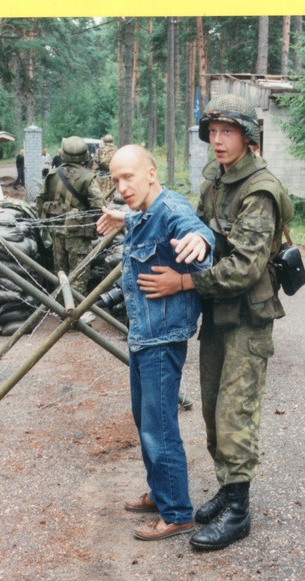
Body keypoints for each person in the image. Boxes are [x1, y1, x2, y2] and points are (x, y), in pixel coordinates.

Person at [137, 94, 294, 551]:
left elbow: (245, 268)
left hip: (248, 316)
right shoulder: (217, 179)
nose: (218, 140)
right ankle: (227, 493)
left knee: (234, 414)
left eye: (228, 132)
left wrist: (183, 282)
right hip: (218, 314)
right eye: (213, 132)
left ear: (248, 137)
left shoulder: (259, 190)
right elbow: (196, 228)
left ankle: (239, 512)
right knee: (212, 411)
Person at [96, 144, 215, 541]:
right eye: (115, 180)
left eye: (128, 177)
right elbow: (145, 222)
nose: (121, 186)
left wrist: (201, 242)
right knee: (145, 421)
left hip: (162, 339)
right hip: (143, 335)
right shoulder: (145, 213)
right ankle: (161, 492)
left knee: (159, 427)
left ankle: (177, 512)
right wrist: (122, 216)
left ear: (150, 172)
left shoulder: (172, 209)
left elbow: (195, 231)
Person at [35, 136, 103, 297]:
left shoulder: (52, 175)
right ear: (85, 155)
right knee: (79, 274)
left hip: (56, 233)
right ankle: (76, 313)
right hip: (78, 235)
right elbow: (99, 206)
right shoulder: (88, 177)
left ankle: (61, 308)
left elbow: (39, 200)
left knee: (61, 272)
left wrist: (46, 222)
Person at [93, 134, 118, 198]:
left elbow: (95, 165)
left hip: (101, 178)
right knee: (113, 197)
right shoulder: (117, 151)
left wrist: (94, 175)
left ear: (104, 142)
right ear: (112, 141)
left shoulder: (99, 151)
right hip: (113, 178)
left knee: (102, 197)